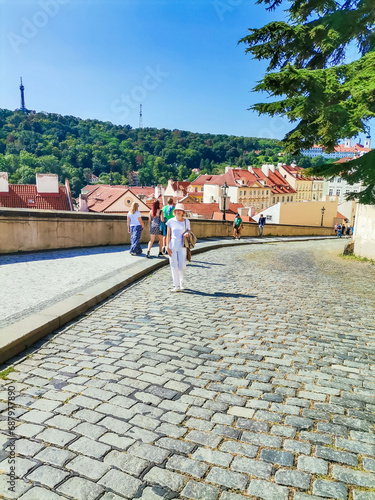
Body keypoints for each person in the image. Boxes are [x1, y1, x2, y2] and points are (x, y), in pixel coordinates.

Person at [166, 203, 190, 292]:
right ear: (175, 211)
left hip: (182, 244)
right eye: (177, 210)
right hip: (173, 244)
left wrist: (187, 234)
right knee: (173, 265)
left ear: (183, 212)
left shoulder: (186, 221)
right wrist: (167, 246)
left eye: (180, 210)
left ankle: (181, 282)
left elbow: (189, 232)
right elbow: (168, 234)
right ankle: (176, 285)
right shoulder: (170, 221)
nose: (178, 212)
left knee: (182, 265)